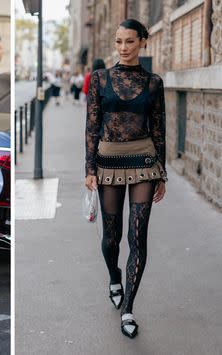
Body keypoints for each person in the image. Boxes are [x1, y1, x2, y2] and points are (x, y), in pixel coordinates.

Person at [85, 19, 167, 339]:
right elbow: (92, 125)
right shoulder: (100, 79)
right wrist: (89, 169)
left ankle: (128, 308)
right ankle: (115, 276)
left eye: (130, 42)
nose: (123, 48)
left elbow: (159, 128)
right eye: (119, 42)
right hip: (107, 161)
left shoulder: (154, 82)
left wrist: (162, 173)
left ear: (142, 42)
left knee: (138, 236)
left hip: (144, 160)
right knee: (111, 237)